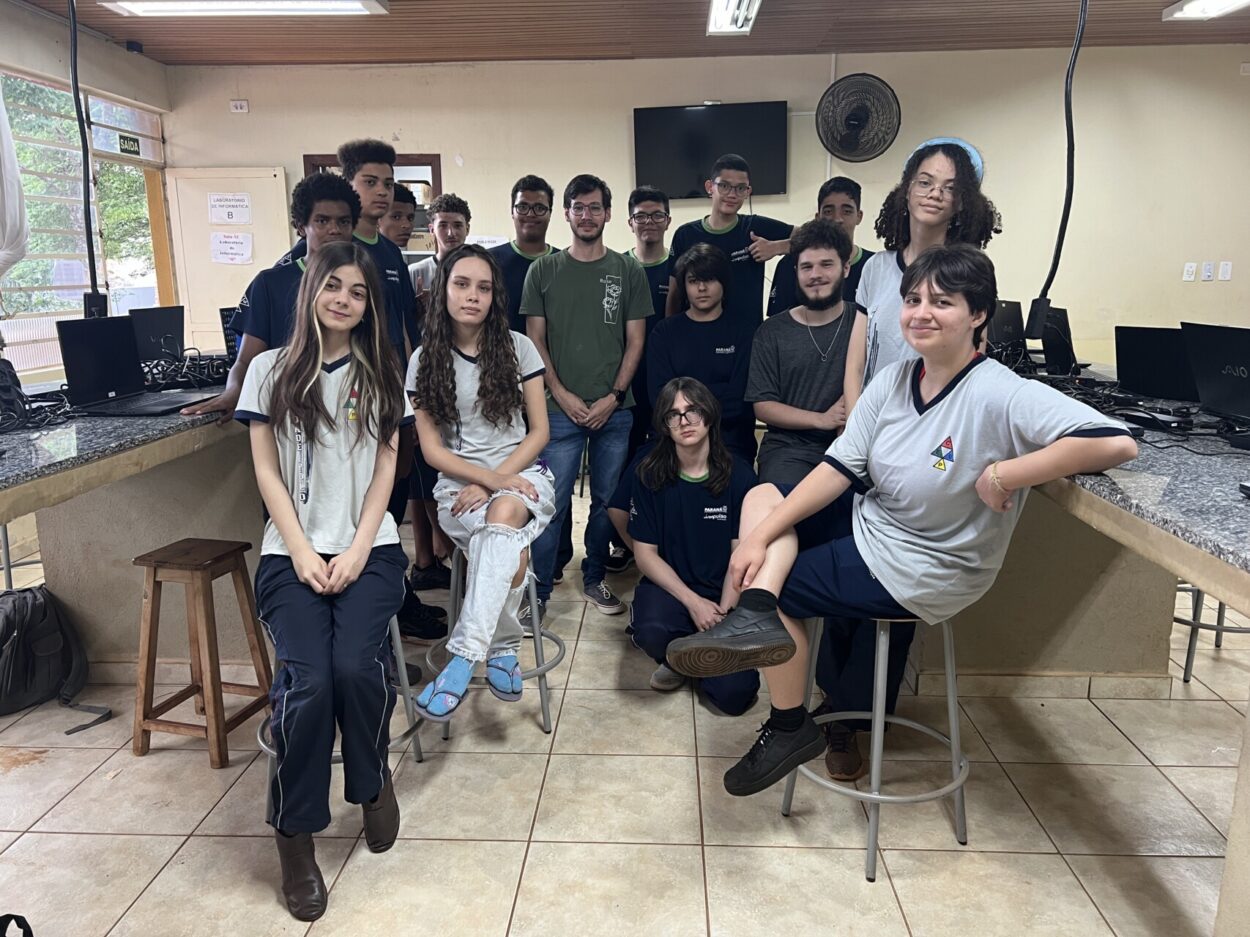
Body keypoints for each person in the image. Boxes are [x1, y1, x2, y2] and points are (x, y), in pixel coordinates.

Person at [663, 245, 1138, 797]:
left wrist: (1006, 473)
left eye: (942, 301)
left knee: (783, 584)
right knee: (765, 495)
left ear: (978, 313)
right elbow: (838, 468)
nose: (921, 312)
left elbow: (1114, 442)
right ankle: (755, 612)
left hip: (924, 563)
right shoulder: (893, 380)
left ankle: (788, 723)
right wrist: (758, 537)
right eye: (912, 299)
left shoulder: (1000, 392)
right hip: (876, 524)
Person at [236, 240, 411, 921]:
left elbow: (385, 473)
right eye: (333, 285)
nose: (344, 298)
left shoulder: (383, 372)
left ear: (370, 305)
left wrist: (362, 545)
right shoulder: (268, 372)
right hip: (291, 556)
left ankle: (370, 783)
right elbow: (266, 472)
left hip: (372, 548)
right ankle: (295, 833)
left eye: (358, 291)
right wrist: (304, 550)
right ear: (310, 290)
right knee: (308, 681)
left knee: (356, 669)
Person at [407, 244, 555, 719]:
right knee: (509, 545)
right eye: (462, 284)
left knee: (505, 516)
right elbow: (432, 452)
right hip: (459, 489)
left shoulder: (518, 347)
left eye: (484, 287)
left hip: (523, 476)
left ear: (495, 296)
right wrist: (487, 482)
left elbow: (540, 432)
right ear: (442, 290)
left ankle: (464, 655)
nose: (473, 296)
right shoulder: (422, 360)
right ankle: (505, 647)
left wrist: (497, 483)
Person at [523, 174, 652, 621]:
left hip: (614, 412)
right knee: (549, 503)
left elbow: (636, 341)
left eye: (595, 207)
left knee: (605, 502)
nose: (587, 215)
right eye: (578, 207)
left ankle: (595, 577)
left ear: (608, 214)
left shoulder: (627, 270)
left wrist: (614, 396)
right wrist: (560, 392)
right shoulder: (543, 270)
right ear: (567, 214)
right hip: (558, 412)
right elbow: (533, 340)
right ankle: (538, 592)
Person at [182, 172, 359, 421]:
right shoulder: (270, 284)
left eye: (343, 222)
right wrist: (235, 391)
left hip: (350, 409)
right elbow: (246, 361)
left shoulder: (364, 283)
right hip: (289, 413)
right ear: (301, 226)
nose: (334, 230)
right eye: (321, 221)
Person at [627, 377, 759, 713]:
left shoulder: (740, 476)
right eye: (674, 415)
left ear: (710, 415)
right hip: (673, 591)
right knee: (652, 629)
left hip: (726, 593)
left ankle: (696, 657)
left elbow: (741, 555)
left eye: (693, 411)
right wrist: (694, 603)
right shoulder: (649, 476)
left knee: (735, 697)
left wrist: (724, 616)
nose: (684, 421)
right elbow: (645, 555)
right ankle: (681, 659)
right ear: (664, 425)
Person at [845, 138, 1000, 412]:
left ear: (961, 203)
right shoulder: (875, 268)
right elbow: (856, 363)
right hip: (874, 420)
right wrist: (854, 426)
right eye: (925, 182)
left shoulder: (971, 271)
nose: (935, 193)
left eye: (950, 188)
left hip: (937, 422)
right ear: (907, 190)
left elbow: (975, 361)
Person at [746, 219, 854, 487]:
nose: (815, 274)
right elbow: (763, 407)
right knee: (784, 510)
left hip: (851, 446)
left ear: (846, 268)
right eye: (807, 266)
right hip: (788, 451)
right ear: (796, 271)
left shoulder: (862, 322)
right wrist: (822, 420)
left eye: (826, 264)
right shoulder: (772, 332)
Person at [646, 244, 756, 460]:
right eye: (693, 281)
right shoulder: (665, 333)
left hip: (730, 441)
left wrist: (690, 411)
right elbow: (661, 397)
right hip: (673, 441)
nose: (702, 288)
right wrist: (713, 397)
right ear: (684, 287)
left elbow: (740, 400)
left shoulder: (744, 333)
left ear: (724, 283)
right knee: (629, 486)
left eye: (710, 280)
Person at [665, 153, 794, 329]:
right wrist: (671, 333)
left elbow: (815, 237)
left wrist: (778, 247)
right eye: (724, 186)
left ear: (748, 192)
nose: (732, 194)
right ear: (710, 187)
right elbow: (674, 295)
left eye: (740, 188)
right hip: (697, 336)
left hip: (746, 338)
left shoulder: (755, 227)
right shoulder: (685, 235)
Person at [767, 176, 874, 317]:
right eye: (829, 211)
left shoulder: (874, 266)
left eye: (846, 211)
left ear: (859, 216)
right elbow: (777, 328)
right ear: (818, 217)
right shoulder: (789, 264)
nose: (837, 219)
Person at [490, 175, 558, 335]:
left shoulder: (564, 263)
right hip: (501, 356)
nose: (530, 214)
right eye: (522, 207)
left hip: (553, 359)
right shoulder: (490, 261)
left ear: (550, 213)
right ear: (512, 212)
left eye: (539, 208)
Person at [409, 191, 471, 307]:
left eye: (457, 225)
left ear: (467, 229)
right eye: (443, 225)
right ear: (432, 230)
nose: (451, 233)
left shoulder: (478, 272)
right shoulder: (414, 273)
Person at [380, 182, 417, 249]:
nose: (407, 225)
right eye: (396, 217)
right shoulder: (360, 256)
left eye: (410, 218)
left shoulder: (394, 254)